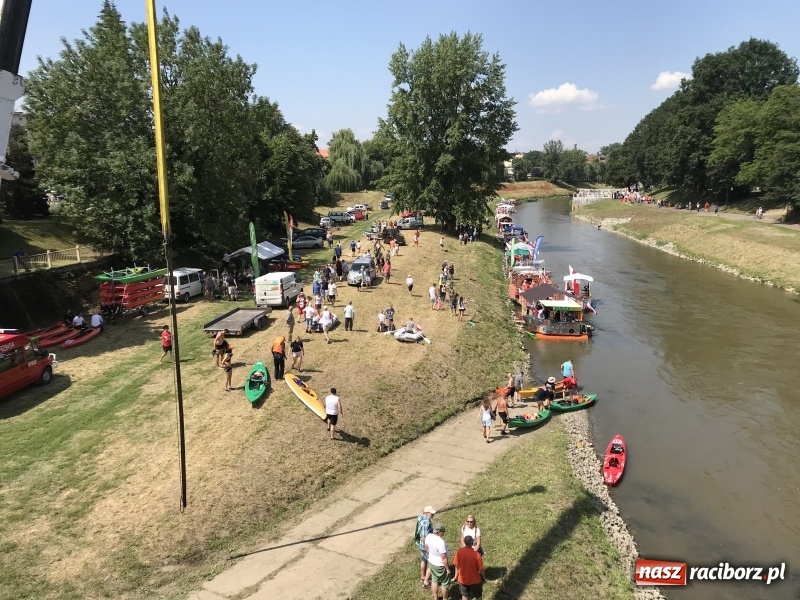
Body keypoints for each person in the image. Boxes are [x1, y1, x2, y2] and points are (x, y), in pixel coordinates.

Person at [425, 523, 452, 600]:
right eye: (443, 531)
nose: (444, 533)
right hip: (440, 565)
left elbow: (427, 547)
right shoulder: (440, 542)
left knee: (434, 580)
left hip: (431, 562)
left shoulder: (428, 536)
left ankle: (436, 598)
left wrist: (431, 554)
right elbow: (443, 557)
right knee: (445, 583)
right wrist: (447, 569)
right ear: (439, 531)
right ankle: (445, 598)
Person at [454, 535, 485, 600]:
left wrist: (456, 576)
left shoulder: (459, 552)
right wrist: (483, 577)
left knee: (465, 596)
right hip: (475, 580)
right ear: (472, 543)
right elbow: (481, 568)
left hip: (462, 580)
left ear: (464, 542)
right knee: (478, 596)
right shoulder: (476, 554)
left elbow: (456, 565)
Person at [416, 506, 436, 589]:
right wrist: (429, 547)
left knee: (424, 559)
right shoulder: (425, 522)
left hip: (421, 545)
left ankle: (422, 576)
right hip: (425, 545)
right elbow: (423, 537)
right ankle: (426, 581)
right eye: (431, 513)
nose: (433, 515)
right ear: (426, 513)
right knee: (433, 562)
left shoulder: (420, 517)